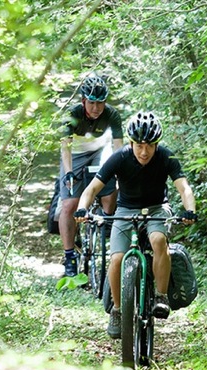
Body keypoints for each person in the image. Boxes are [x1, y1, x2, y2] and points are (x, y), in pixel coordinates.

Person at [74, 112, 197, 339]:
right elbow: (91, 189)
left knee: (158, 240)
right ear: (131, 143)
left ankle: (160, 296)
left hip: (157, 208)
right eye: (139, 145)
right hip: (125, 211)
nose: (144, 151)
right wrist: (82, 209)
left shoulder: (165, 157)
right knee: (117, 258)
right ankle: (118, 311)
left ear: (156, 144)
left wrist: (190, 210)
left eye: (150, 145)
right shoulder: (119, 158)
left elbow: (184, 188)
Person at [58, 74, 123, 277]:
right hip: (75, 155)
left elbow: (118, 147)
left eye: (101, 103)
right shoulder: (72, 114)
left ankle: (106, 234)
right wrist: (69, 173)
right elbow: (65, 147)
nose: (96, 108)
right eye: (92, 103)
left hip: (98, 152)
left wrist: (119, 170)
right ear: (84, 100)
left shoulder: (112, 114)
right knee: (70, 204)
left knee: (109, 193)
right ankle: (69, 256)